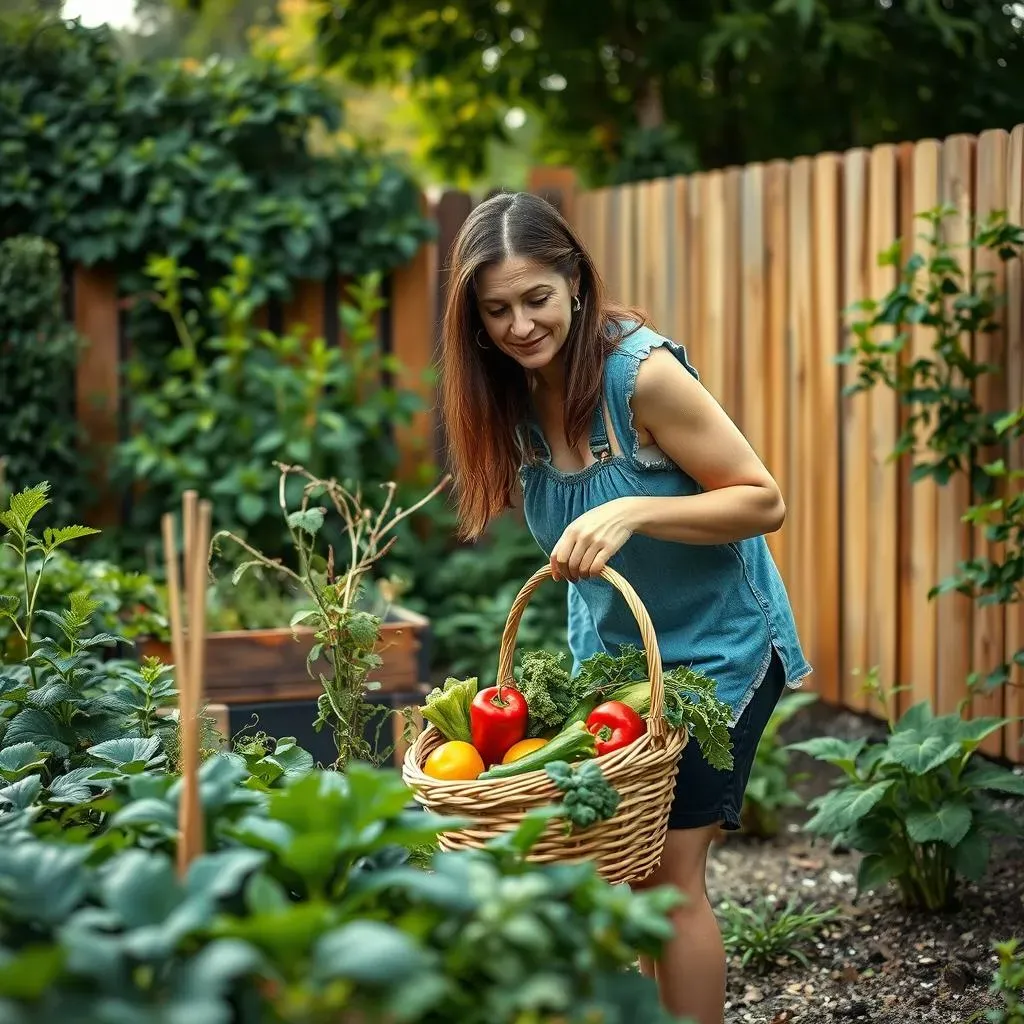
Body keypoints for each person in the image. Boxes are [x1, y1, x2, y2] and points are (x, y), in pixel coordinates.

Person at [438, 190, 811, 1024]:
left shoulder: (639, 376)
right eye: (496, 310)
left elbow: (762, 500)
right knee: (632, 872)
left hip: (721, 650)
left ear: (575, 279)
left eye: (537, 298)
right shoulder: (509, 396)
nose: (521, 325)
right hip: (618, 662)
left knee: (670, 879)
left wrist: (634, 507)